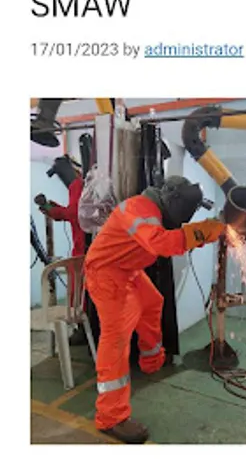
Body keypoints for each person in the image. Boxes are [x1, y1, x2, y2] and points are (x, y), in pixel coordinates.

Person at [84, 176, 226, 444]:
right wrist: (207, 231)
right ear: (172, 201)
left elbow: (173, 236)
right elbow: (160, 244)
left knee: (153, 302)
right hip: (106, 274)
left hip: (128, 270)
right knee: (116, 340)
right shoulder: (138, 209)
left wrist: (211, 228)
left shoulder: (158, 210)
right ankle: (111, 417)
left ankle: (151, 360)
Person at [36, 155, 87, 345]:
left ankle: (82, 329)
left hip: (83, 247)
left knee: (78, 291)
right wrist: (49, 207)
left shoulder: (77, 185)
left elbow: (73, 213)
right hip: (90, 245)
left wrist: (49, 208)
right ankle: (86, 328)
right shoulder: (87, 183)